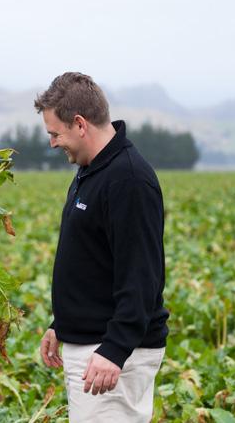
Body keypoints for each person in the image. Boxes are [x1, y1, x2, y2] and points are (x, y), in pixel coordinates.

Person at [35, 72, 169, 422]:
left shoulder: (128, 180)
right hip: (95, 345)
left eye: (55, 134)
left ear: (80, 124)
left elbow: (142, 276)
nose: (53, 144)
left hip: (110, 352)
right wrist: (62, 324)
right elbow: (93, 262)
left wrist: (115, 349)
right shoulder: (92, 170)